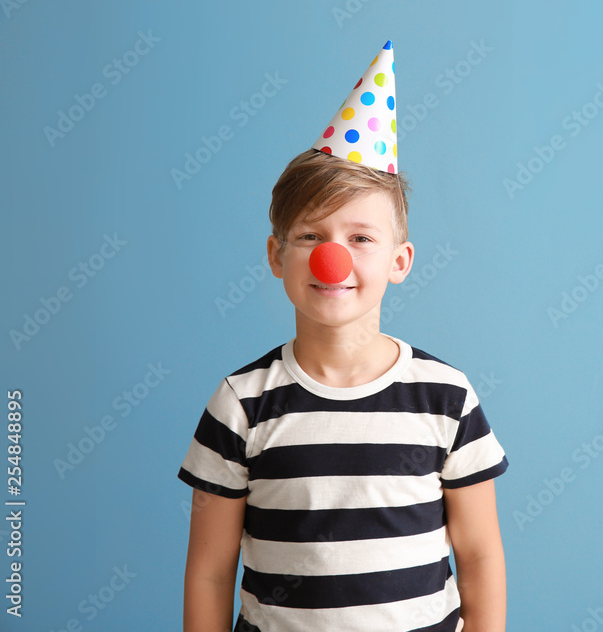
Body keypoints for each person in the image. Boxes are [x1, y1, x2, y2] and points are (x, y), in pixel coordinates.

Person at [178, 41, 508, 632]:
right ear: (277, 256)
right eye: (310, 236)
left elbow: (480, 555)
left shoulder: (446, 397)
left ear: (400, 260)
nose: (333, 259)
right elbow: (208, 570)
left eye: (361, 238)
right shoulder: (241, 404)